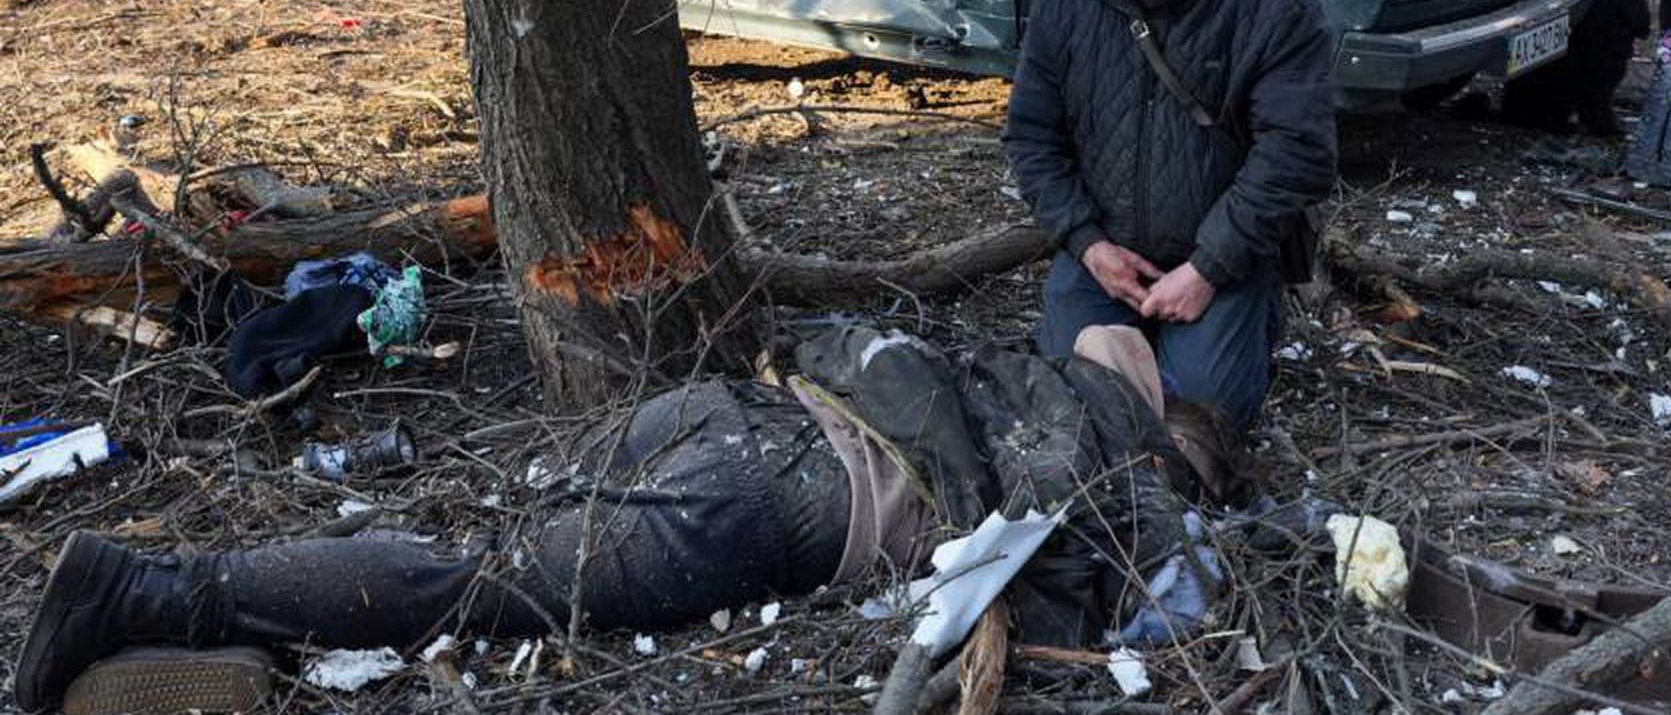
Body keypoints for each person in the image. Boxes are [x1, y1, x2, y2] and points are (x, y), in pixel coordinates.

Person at [13, 326, 1236, 714]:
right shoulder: (1121, 455)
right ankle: (146, 589)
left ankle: (244, 635)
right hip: (785, 501)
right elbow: (1093, 601)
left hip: (722, 409)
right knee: (486, 585)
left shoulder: (994, 366)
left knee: (493, 551)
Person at [1003, 0, 1337, 433]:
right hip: (1105, 251)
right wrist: (1087, 244)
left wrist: (1210, 268)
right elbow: (1031, 136)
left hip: (1222, 255)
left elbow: (1297, 152)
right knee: (1068, 411)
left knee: (1199, 422)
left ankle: (1236, 323)